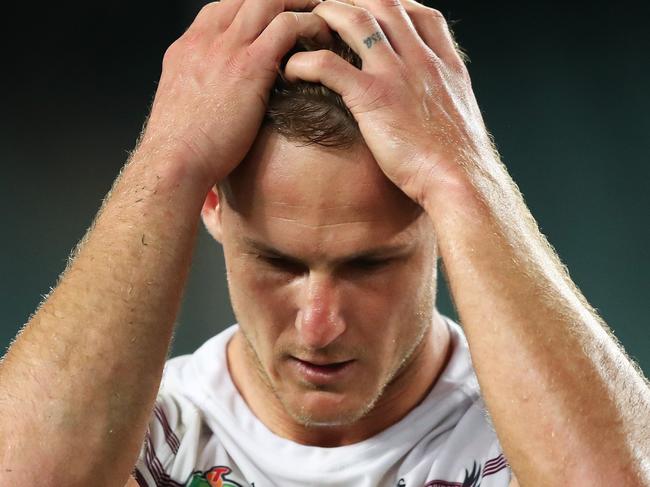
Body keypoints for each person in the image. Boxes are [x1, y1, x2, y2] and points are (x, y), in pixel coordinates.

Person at [0, 0, 648, 486]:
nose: (319, 324)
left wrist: (466, 178)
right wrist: (168, 158)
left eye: (369, 263)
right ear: (210, 204)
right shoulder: (150, 432)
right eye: (277, 261)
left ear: (437, 223)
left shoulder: (529, 436)